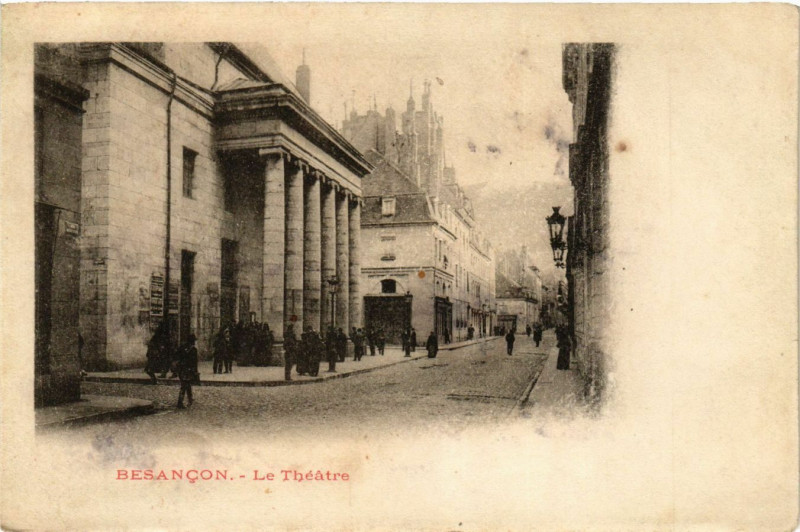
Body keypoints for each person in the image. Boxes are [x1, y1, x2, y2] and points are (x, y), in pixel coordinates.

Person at [176, 334, 198, 409]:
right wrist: (195, 371)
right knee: (185, 385)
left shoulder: (181, 347)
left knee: (187, 384)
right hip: (188, 370)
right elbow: (195, 362)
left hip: (181, 369)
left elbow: (177, 357)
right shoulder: (194, 350)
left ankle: (190, 399)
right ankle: (180, 402)